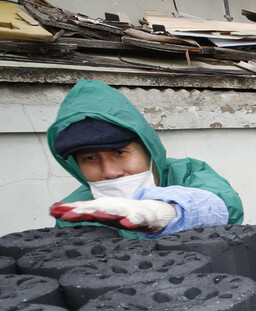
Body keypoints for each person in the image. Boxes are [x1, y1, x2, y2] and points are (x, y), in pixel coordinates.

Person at [46, 79, 242, 238]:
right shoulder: (75, 213)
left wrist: (163, 212)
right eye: (90, 157)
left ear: (148, 148)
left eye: (119, 152)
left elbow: (225, 205)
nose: (110, 171)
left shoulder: (188, 174)